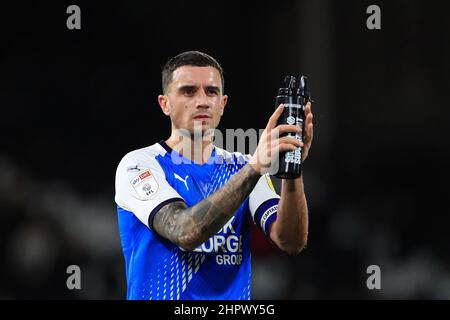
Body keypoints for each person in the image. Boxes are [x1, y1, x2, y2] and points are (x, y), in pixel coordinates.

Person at [114, 51, 314, 300]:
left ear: (223, 103)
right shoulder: (139, 165)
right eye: (188, 91)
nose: (202, 101)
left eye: (211, 92)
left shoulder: (242, 166)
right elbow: (185, 232)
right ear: (165, 104)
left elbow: (290, 241)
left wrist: (292, 168)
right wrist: (255, 168)